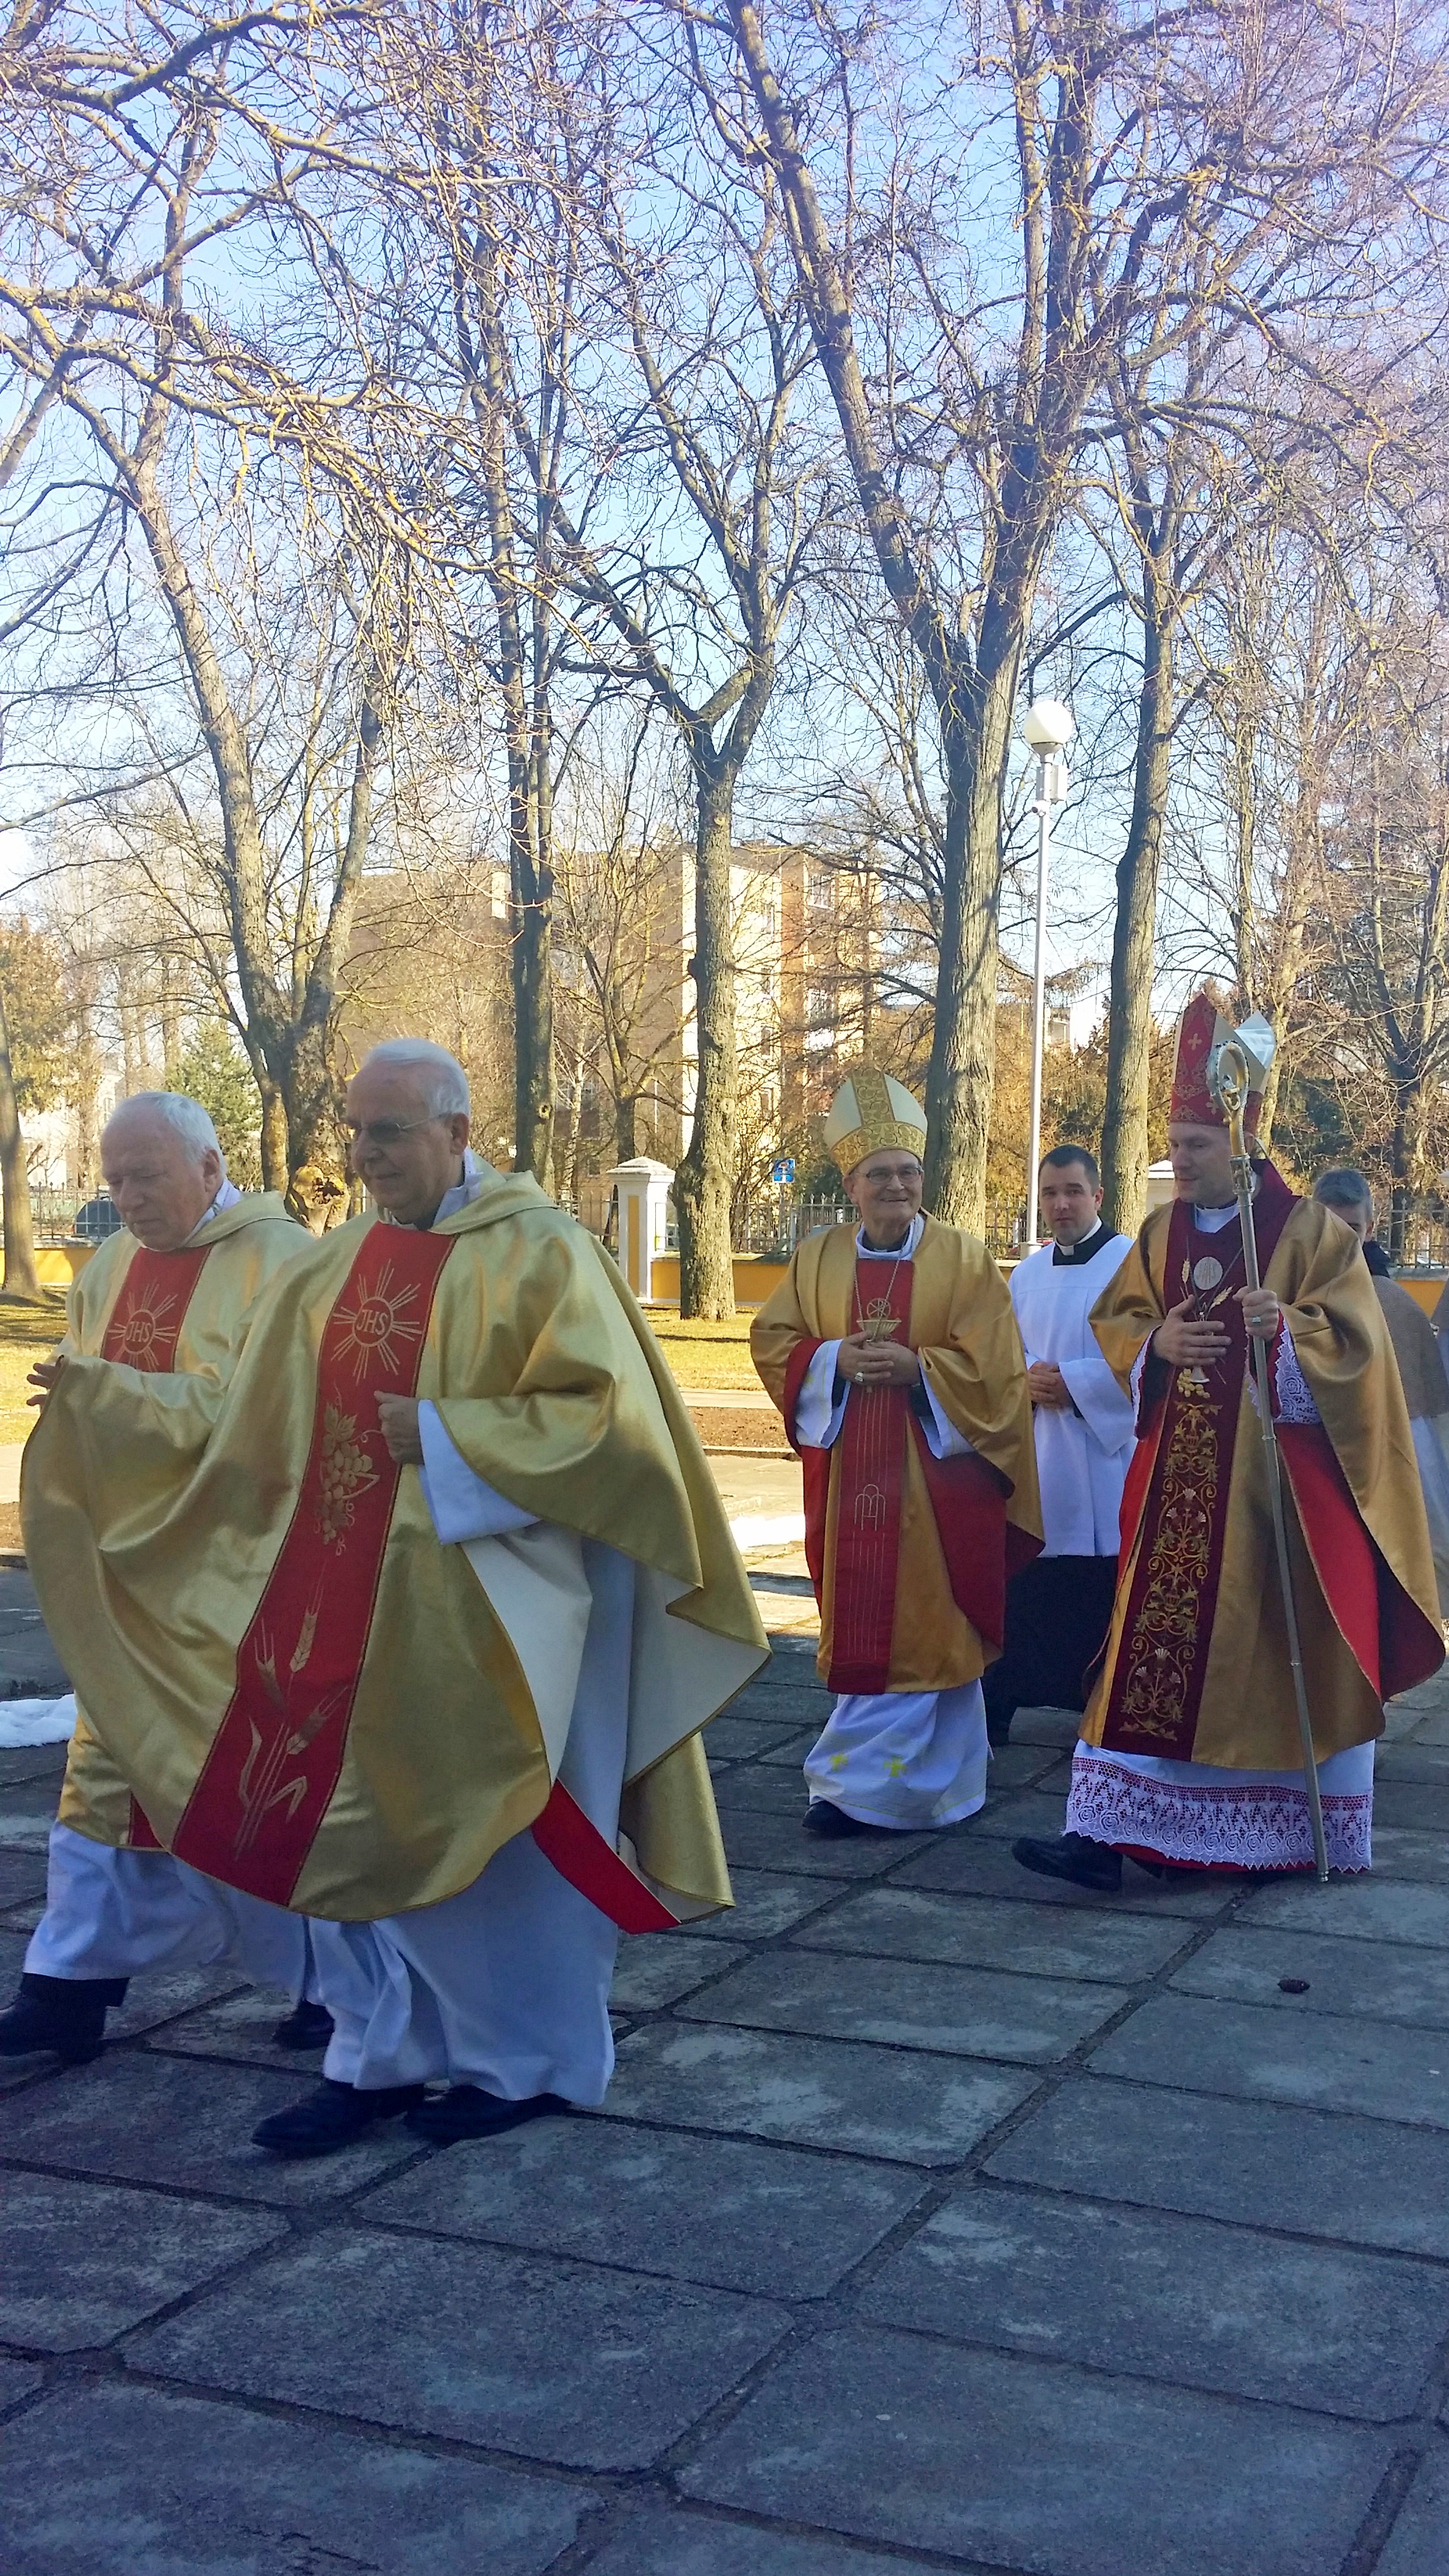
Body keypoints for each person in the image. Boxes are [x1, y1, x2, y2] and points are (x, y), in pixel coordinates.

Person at [24, 1041, 766, 2153]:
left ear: (458, 1133)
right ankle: (377, 2058)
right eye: (359, 1131)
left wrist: (453, 1437)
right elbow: (248, 1428)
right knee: (357, 1831)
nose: (369, 1153)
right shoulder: (335, 1263)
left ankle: (529, 2063)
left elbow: (614, 1428)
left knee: (499, 1845)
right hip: (344, 1598)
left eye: (393, 1131)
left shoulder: (544, 1251)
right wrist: (107, 1402)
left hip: (493, 1609)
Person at [1013, 994, 1443, 1892]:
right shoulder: (1161, 1230)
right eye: (1174, 1142)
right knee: (1144, 1653)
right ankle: (1103, 1834)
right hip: (1173, 1490)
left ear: (1242, 1139)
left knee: (1261, 1660)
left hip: (1273, 1500)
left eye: (1197, 1145)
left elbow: (1360, 1351)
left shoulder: (1309, 1231)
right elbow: (1121, 1322)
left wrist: (1286, 1333)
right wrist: (1157, 1343)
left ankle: (1267, 1835)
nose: (1180, 1159)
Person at [0, 1092, 312, 2066]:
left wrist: (104, 1393)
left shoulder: (285, 1262)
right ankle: (66, 1986)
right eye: (115, 1179)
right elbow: (88, 1394)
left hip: (239, 1569)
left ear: (211, 1168)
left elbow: (267, 1418)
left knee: (257, 1778)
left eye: (146, 1176)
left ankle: (330, 1984)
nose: (126, 1198)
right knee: (103, 1773)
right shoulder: (111, 1265)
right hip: (131, 1572)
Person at [751, 1067, 1040, 1836]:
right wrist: (829, 1360)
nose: (897, 1185)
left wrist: (923, 1371)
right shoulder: (817, 1258)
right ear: (850, 1184)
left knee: (932, 1628)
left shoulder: (964, 1259)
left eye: (908, 1171)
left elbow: (999, 1370)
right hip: (851, 1478)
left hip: (938, 1487)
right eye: (878, 1173)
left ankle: (903, 1788)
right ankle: (868, 1788)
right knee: (864, 1620)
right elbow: (773, 1338)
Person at [981, 1146, 1133, 1744]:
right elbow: (1004, 1351)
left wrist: (1076, 1383)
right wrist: (1025, 1378)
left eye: (1073, 1191)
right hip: (1041, 1452)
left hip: (1104, 1456)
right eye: (1050, 1193)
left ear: (1098, 1195)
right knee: (1028, 1588)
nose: (1061, 1204)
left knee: (1098, 1589)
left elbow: (1145, 1355)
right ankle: (1005, 1701)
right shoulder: (1027, 1273)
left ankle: (1103, 1710)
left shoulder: (1130, 1264)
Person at [1313, 1169, 1449, 1622]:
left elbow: (1424, 1431)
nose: (1341, 1241)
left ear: (1369, 1228)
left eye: (1351, 1228)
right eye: (1329, 1226)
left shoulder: (1395, 1305)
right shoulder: (1281, 1293)